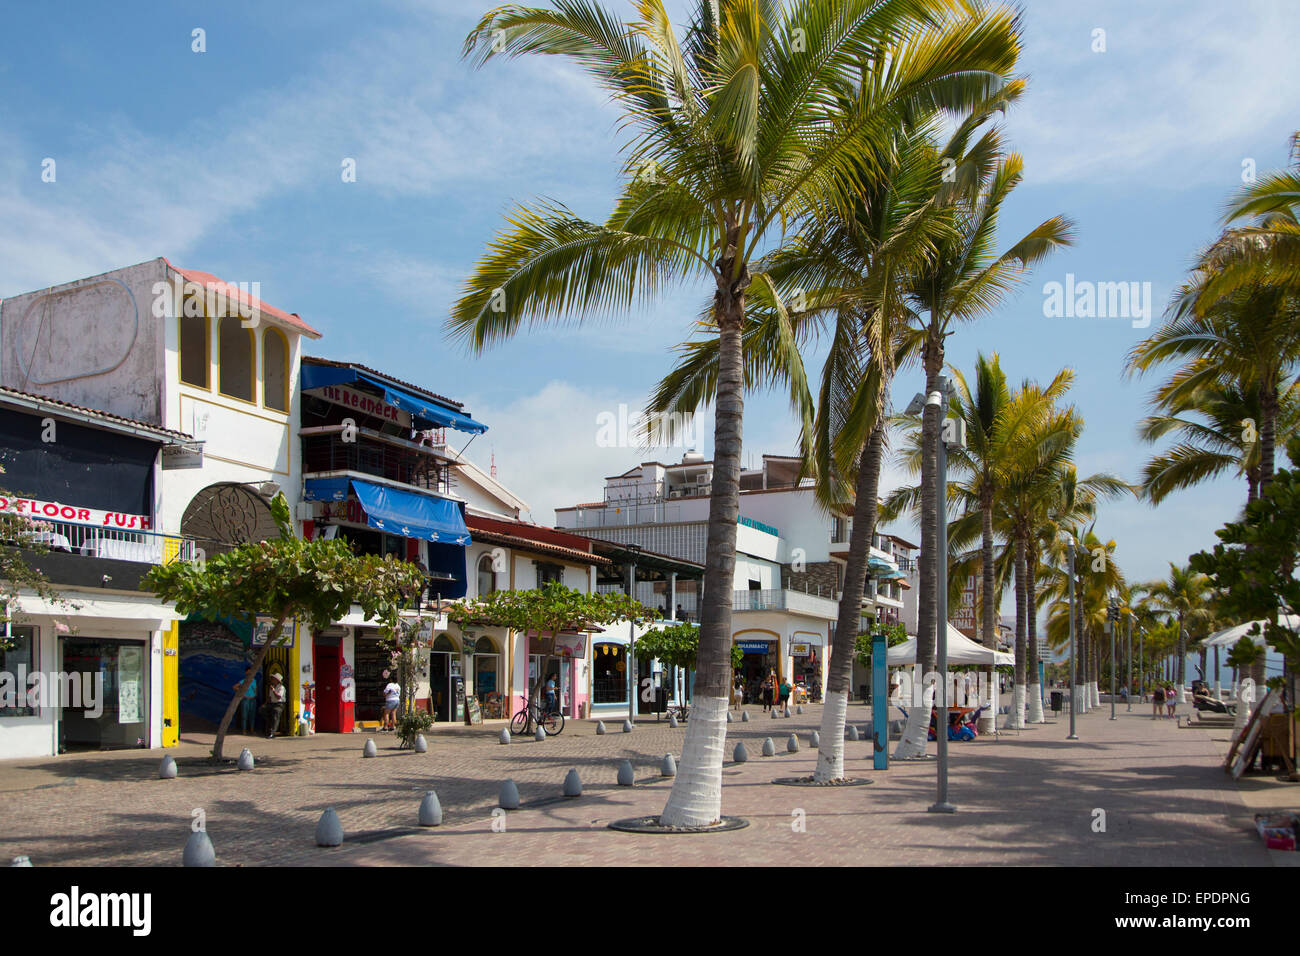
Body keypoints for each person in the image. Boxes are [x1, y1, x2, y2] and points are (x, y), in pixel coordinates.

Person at [234, 667, 257, 735]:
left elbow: (256, 689)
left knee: (252, 716)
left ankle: (252, 730)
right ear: (246, 672)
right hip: (245, 699)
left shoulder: (254, 681)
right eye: (248, 672)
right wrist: (241, 692)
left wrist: (255, 695)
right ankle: (244, 730)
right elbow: (235, 687)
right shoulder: (243, 681)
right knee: (244, 715)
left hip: (252, 699)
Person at [264, 672, 286, 738]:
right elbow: (270, 697)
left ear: (277, 680)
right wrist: (265, 704)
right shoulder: (272, 687)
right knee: (263, 711)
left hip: (279, 704)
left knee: (276, 714)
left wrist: (273, 690)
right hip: (272, 703)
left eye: (273, 679)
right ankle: (268, 727)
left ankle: (272, 732)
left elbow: (278, 697)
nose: (272, 680)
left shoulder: (281, 687)